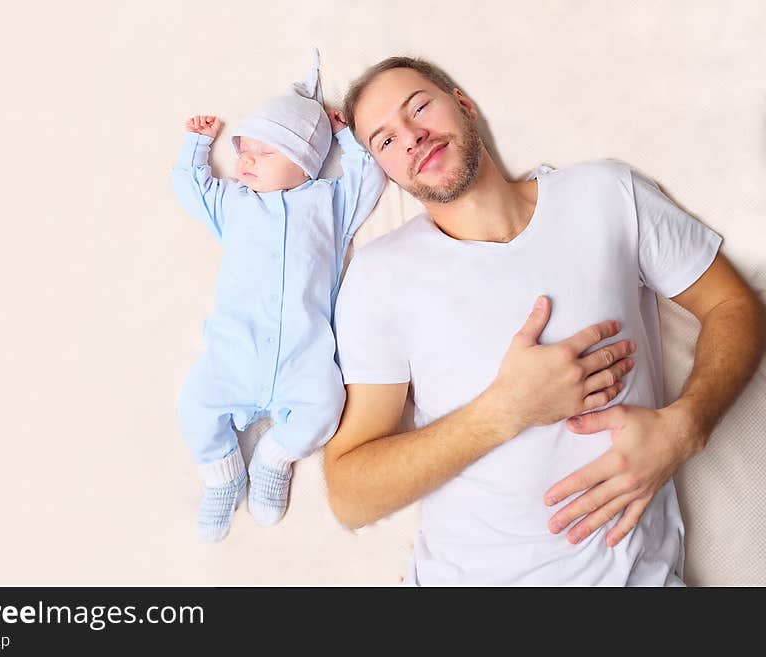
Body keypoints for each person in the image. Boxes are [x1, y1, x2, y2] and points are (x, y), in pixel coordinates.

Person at [325, 56, 765, 585]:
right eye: (386, 141)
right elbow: (350, 495)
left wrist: (685, 427)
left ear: (463, 105)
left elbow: (732, 306)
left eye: (419, 108)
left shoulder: (606, 194)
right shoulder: (380, 276)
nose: (413, 138)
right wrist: (505, 411)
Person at [170, 49, 386, 542]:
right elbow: (191, 188)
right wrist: (196, 145)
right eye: (244, 150)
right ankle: (222, 477)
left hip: (303, 355)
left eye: (264, 152)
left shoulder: (328, 202)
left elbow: (368, 176)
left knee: (326, 406)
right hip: (234, 350)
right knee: (192, 408)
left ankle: (274, 459)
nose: (245, 159)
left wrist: (348, 136)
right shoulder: (234, 203)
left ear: (307, 163)